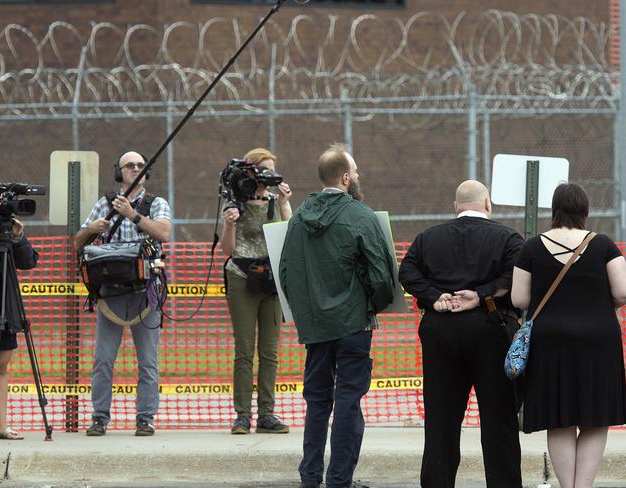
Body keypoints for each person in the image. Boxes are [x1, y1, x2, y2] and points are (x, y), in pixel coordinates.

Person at [280, 143, 395, 488]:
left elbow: (286, 272)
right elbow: (381, 274)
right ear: (345, 178)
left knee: (317, 402)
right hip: (353, 324)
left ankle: (310, 477)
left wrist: (307, 313)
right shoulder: (360, 215)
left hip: (316, 329)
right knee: (348, 400)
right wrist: (374, 303)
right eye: (355, 172)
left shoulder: (299, 217)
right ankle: (340, 480)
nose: (358, 177)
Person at [398, 180, 523, 488]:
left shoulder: (427, 238)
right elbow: (515, 276)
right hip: (491, 327)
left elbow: (407, 272)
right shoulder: (508, 239)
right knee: (499, 421)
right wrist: (481, 294)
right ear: (488, 205)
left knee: (440, 421)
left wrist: (434, 296)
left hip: (440, 329)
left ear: (456, 208)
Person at [511, 182, 626, 488]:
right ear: (585, 210)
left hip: (550, 342)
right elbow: (623, 292)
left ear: (554, 210)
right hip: (598, 340)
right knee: (595, 416)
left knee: (559, 417)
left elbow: (519, 300)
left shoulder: (532, 247)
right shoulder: (604, 245)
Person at [74, 151, 171, 437]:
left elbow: (164, 234)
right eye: (130, 165)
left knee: (148, 360)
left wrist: (133, 215)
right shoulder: (104, 204)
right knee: (103, 358)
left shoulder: (156, 204)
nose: (136, 169)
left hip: (145, 293)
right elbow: (78, 243)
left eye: (141, 165)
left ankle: (145, 417)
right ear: (119, 171)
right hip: (110, 293)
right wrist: (92, 228)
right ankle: (100, 417)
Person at [220, 147, 293, 435]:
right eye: (263, 170)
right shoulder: (235, 203)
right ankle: (243, 414)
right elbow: (228, 250)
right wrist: (229, 224)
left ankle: (266, 413)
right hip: (241, 275)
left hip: (270, 279)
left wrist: (286, 204)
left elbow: (290, 238)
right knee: (244, 349)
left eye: (272, 170)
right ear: (250, 171)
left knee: (270, 350)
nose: (268, 176)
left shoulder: (274, 202)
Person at [0, 191, 38, 440]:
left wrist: (18, 237)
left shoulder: (5, 230)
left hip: (2, 304)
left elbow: (28, 262)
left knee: (1, 366)